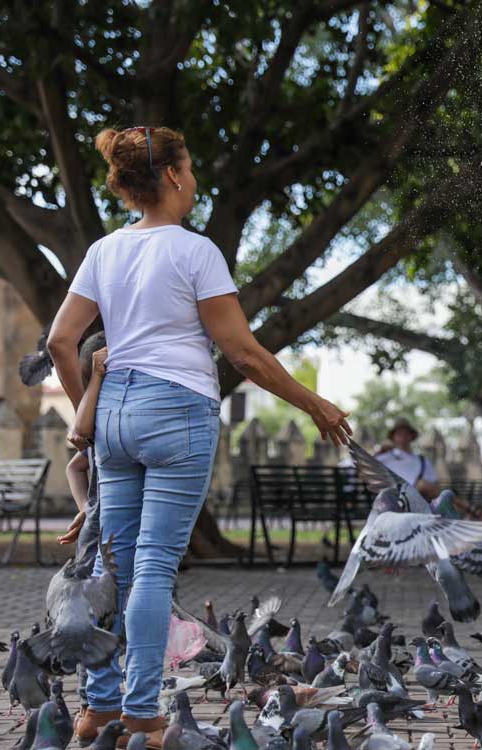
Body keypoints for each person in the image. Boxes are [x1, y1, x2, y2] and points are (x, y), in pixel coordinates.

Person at [47, 126, 352, 749]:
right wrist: (313, 403)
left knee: (119, 567)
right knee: (154, 568)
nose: (196, 179)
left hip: (116, 410)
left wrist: (90, 416)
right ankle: (141, 715)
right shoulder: (196, 251)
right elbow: (241, 351)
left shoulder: (104, 251)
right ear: (174, 178)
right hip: (176, 412)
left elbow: (60, 341)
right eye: (190, 167)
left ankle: (98, 710)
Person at [58, 332, 107, 546]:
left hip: (99, 529)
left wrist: (86, 508)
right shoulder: (99, 425)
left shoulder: (99, 422)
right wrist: (87, 508)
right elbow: (74, 466)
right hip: (103, 531)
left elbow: (74, 467)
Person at [375, 417, 440, 498]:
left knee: (427, 486)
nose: (403, 437)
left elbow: (435, 484)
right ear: (393, 437)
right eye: (399, 434)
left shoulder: (422, 460)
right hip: (396, 498)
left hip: (422, 500)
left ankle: (459, 506)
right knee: (422, 484)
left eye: (406, 434)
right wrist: (380, 451)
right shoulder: (384, 457)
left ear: (411, 436)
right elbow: (364, 470)